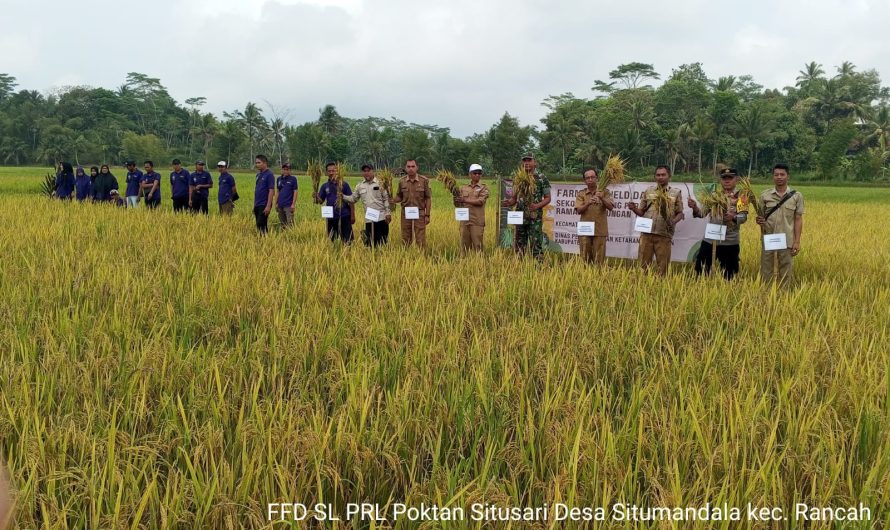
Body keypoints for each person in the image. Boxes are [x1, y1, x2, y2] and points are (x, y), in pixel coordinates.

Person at [689, 167, 747, 279]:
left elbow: (743, 217)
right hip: (710, 239)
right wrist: (695, 207)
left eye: (730, 178)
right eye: (724, 178)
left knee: (730, 274)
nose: (727, 180)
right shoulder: (713, 196)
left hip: (729, 241)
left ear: (737, 180)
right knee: (701, 270)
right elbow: (702, 213)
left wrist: (733, 217)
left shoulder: (741, 197)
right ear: (720, 180)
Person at [627, 165, 684, 276]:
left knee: (662, 268)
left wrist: (672, 222)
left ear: (669, 176)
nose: (660, 177)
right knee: (642, 267)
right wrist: (633, 208)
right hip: (646, 234)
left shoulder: (675, 193)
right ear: (655, 177)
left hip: (664, 234)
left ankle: (660, 289)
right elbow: (641, 212)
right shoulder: (648, 191)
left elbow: (680, 213)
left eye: (663, 175)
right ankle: (641, 288)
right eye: (658, 175)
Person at [756, 163, 804, 285]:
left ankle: (784, 297)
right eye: (776, 174)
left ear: (788, 176)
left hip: (787, 240)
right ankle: (766, 295)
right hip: (769, 239)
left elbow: (798, 219)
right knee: (766, 270)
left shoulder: (796, 196)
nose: (779, 177)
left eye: (782, 174)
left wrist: (797, 241)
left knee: (786, 270)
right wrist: (759, 220)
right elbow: (760, 216)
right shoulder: (765, 195)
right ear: (773, 177)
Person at [501, 153, 551, 260]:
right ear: (521, 163)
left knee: (536, 244)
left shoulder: (541, 178)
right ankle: (519, 268)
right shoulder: (518, 178)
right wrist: (508, 202)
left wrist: (536, 206)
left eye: (529, 160)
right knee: (519, 244)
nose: (527, 163)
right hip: (520, 216)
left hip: (534, 218)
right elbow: (514, 199)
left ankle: (538, 269)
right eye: (524, 161)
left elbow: (548, 198)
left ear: (535, 163)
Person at [343, 163, 392, 246]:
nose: (366, 173)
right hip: (369, 218)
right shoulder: (360, 186)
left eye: (368, 170)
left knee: (382, 242)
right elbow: (353, 199)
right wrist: (342, 196)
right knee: (370, 243)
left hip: (381, 218)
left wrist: (388, 213)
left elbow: (386, 199)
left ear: (373, 171)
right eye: (364, 171)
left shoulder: (381, 183)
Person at [574, 167, 614, 264]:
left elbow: (611, 207)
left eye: (592, 177)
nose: (590, 180)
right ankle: (585, 277)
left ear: (597, 178)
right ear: (584, 180)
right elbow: (578, 210)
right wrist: (588, 203)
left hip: (600, 230)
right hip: (585, 230)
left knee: (599, 259)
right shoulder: (581, 194)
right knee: (585, 258)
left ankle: (598, 277)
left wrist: (602, 198)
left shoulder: (605, 192)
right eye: (588, 178)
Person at [392, 159, 431, 248]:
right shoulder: (402, 181)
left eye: (413, 166)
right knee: (405, 237)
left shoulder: (424, 180)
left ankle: (421, 258)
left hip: (420, 213)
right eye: (408, 166)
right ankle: (407, 257)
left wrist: (427, 215)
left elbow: (428, 198)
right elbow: (399, 197)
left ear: (417, 167)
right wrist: (393, 200)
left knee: (420, 238)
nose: (410, 169)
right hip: (405, 213)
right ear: (405, 168)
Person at [315, 162, 354, 243]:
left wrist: (352, 215)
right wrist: (316, 196)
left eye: (333, 171)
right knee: (332, 240)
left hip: (344, 215)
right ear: (326, 172)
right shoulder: (325, 186)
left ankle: (348, 254)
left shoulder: (344, 184)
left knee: (347, 240)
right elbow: (320, 201)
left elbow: (351, 200)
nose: (331, 173)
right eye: (329, 171)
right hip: (331, 216)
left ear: (337, 171)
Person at [455, 163, 490, 252]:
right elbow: (458, 205)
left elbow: (480, 201)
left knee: (477, 245)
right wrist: (455, 197)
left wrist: (464, 200)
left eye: (479, 173)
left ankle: (479, 263)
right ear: (470, 174)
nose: (477, 175)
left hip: (477, 221)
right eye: (475, 173)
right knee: (464, 245)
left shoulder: (484, 188)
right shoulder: (463, 188)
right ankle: (464, 262)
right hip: (464, 221)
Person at [253, 155, 276, 233]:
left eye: (259, 162)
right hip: (257, 203)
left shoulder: (269, 175)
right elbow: (257, 190)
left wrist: (268, 206)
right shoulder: (258, 175)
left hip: (264, 203)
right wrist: (254, 205)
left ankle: (265, 240)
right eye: (256, 163)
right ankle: (262, 241)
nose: (257, 164)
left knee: (261, 223)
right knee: (258, 225)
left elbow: (271, 190)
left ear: (265, 163)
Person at [276, 162, 299, 228]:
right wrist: (276, 203)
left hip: (288, 205)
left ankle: (291, 236)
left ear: (290, 170)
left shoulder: (293, 179)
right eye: (284, 169)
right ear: (282, 170)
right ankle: (284, 236)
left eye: (287, 169)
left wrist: (293, 204)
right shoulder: (279, 179)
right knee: (282, 223)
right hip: (280, 204)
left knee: (290, 223)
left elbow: (295, 191)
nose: (285, 171)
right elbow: (278, 191)